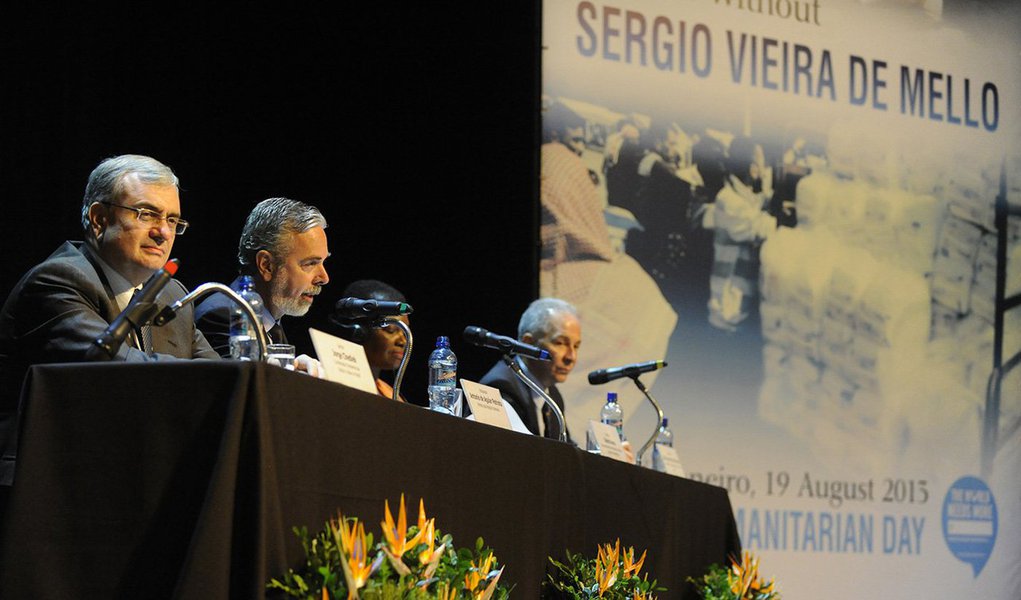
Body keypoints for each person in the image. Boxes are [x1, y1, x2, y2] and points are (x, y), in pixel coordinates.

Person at [0, 154, 220, 492]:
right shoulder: (57, 280)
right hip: (47, 485)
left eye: (173, 220)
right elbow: (109, 367)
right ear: (99, 219)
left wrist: (277, 372)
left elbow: (221, 375)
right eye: (147, 214)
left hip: (134, 476)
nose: (163, 232)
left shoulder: (170, 293)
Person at [194, 197, 329, 376]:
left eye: (323, 262)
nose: (324, 278)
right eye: (310, 263)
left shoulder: (272, 325)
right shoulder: (224, 314)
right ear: (266, 265)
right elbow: (244, 395)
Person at [478, 298, 581, 442]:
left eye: (576, 346)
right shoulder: (501, 386)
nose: (571, 357)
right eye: (560, 343)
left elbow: (566, 451)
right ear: (528, 343)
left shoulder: (552, 396)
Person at [707, 135, 778, 332]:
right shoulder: (727, 200)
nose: (762, 166)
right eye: (759, 160)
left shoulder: (742, 196)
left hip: (740, 297)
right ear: (749, 164)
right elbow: (757, 227)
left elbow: (755, 204)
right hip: (728, 302)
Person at [331, 279, 410, 402]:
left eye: (405, 331)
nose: (403, 342)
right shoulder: (329, 381)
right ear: (358, 332)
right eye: (391, 330)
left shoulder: (390, 394)